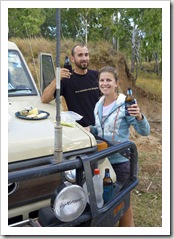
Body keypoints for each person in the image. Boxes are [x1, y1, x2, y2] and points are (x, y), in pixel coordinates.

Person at [85, 66, 150, 227]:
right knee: (110, 201)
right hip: (102, 161)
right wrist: (90, 129)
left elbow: (144, 131)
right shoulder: (99, 104)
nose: (105, 83)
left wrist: (140, 116)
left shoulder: (125, 104)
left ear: (116, 83)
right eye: (102, 80)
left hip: (121, 162)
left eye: (108, 80)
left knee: (122, 203)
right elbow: (100, 129)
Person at [41, 44, 99, 127]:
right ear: (72, 59)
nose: (84, 58)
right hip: (80, 130)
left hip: (99, 128)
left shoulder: (96, 75)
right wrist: (57, 79)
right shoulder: (66, 79)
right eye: (80, 55)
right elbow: (44, 99)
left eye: (86, 55)